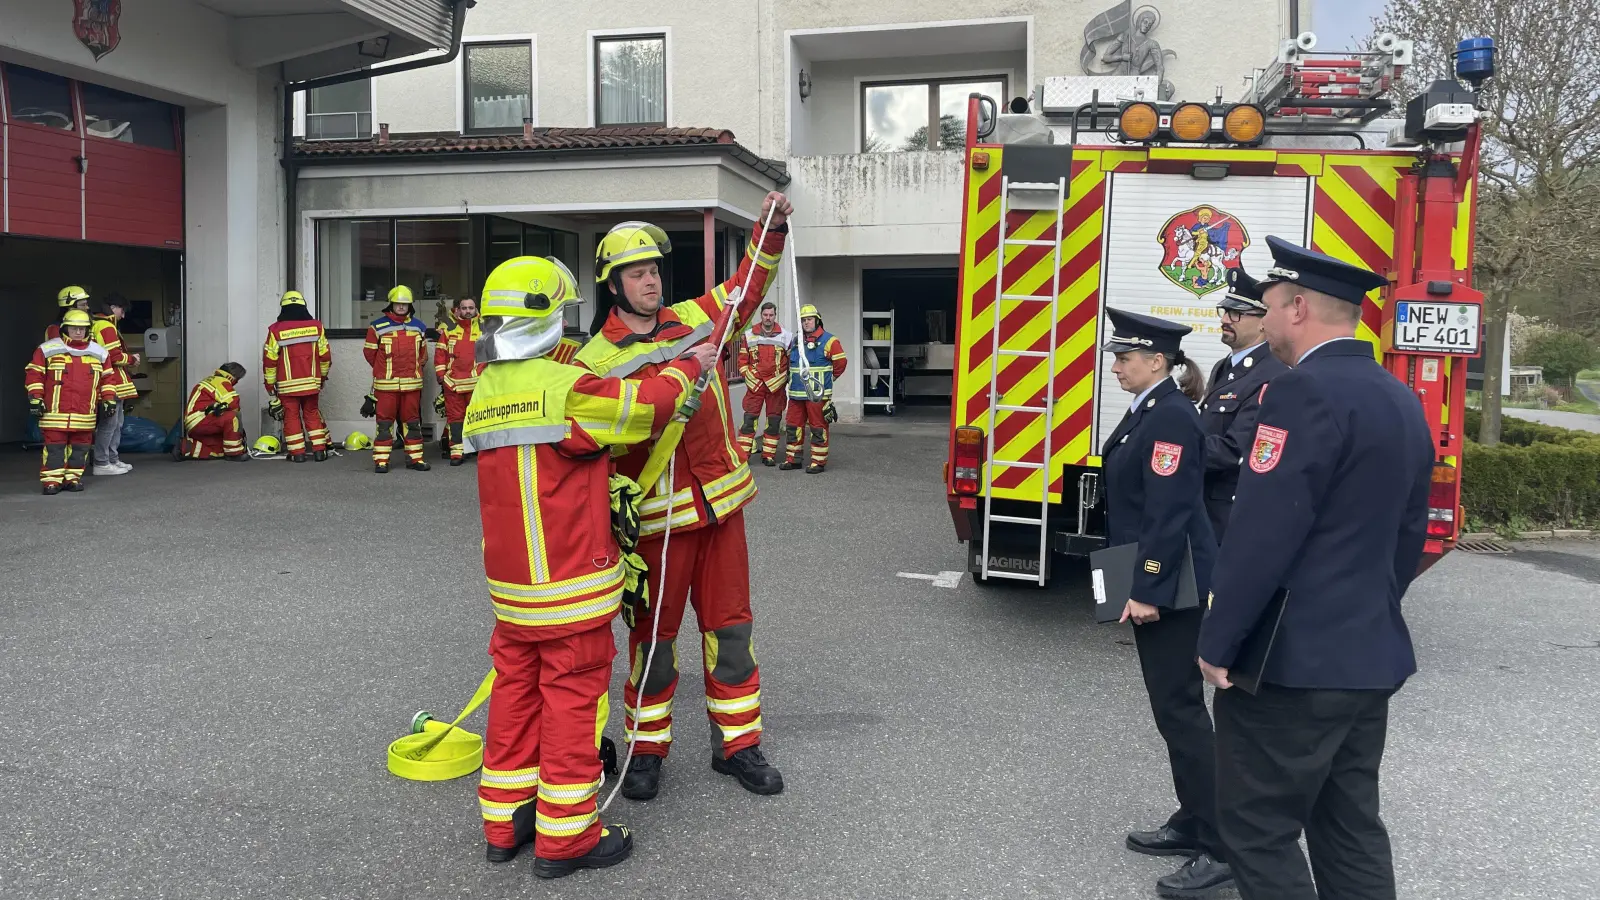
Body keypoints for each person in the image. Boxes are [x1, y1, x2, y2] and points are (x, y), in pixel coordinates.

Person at [465, 255, 718, 877]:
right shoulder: (563, 388)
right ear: (548, 318)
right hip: (571, 586)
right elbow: (639, 409)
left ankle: (505, 823)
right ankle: (568, 839)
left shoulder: (484, 390)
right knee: (572, 707)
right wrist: (691, 365)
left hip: (513, 593)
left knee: (515, 700)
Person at [1198, 237, 1432, 900]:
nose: (1262, 319)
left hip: (1290, 668)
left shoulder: (1300, 393)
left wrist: (1219, 642)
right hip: (1366, 654)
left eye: (1269, 305)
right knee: (1347, 824)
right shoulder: (1398, 396)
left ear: (1298, 307)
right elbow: (1408, 533)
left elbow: (1263, 534)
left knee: (1255, 828)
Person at [572, 192, 792, 801]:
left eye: (653, 270)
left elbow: (748, 286)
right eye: (637, 272)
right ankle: (645, 751)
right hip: (656, 526)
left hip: (722, 509)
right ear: (612, 284)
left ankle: (739, 746)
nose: (650, 280)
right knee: (655, 645)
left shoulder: (698, 315)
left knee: (732, 633)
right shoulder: (593, 360)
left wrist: (769, 231)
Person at [1099, 308, 1233, 900]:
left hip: (1170, 585)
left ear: (1158, 360)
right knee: (1169, 709)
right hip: (1140, 569)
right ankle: (1192, 818)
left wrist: (1146, 590)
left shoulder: (1172, 416)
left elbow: (1171, 511)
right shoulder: (1149, 410)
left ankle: (1223, 843)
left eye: (1125, 357)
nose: (1116, 366)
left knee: (1180, 710)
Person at [1201, 268, 1287, 540]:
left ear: (1264, 322)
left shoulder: (1272, 374)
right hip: (1205, 505)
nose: (1226, 319)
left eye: (1236, 313)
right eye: (1224, 311)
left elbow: (1236, 450)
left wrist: (1178, 445)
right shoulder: (1224, 367)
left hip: (1231, 515)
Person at [25, 309, 117, 495]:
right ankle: (52, 481)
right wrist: (35, 398)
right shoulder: (47, 349)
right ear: (65, 328)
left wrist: (108, 399)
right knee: (54, 449)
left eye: (82, 329)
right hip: (55, 413)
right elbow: (35, 374)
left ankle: (73, 479)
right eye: (74, 328)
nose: (78, 332)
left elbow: (108, 379)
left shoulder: (99, 352)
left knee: (80, 448)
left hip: (84, 414)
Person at [362, 286, 430, 473]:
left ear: (410, 306)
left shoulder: (419, 327)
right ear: (391, 304)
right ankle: (381, 460)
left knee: (412, 424)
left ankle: (415, 459)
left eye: (405, 304)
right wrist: (382, 371)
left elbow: (423, 355)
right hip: (386, 386)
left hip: (412, 385)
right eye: (398, 303)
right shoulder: (376, 327)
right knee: (384, 424)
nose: (401, 307)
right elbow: (370, 354)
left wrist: (414, 371)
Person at [262, 290, 333, 463]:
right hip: (311, 382)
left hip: (287, 385)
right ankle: (319, 451)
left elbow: (270, 360)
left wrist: (270, 385)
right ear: (303, 306)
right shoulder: (316, 326)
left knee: (291, 416)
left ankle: (298, 454)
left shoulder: (275, 330)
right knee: (311, 413)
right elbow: (325, 356)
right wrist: (322, 377)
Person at [780, 303, 847, 473]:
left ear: (817, 321)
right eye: (803, 320)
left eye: (809, 319)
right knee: (793, 426)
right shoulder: (796, 341)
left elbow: (840, 363)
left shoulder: (830, 340)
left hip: (817, 395)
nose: (806, 323)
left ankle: (818, 462)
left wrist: (829, 380)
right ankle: (793, 459)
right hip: (796, 393)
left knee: (818, 427)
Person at [88, 293, 139, 475]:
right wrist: (132, 359)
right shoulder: (106, 327)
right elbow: (115, 357)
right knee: (110, 424)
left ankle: (111, 459)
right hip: (111, 381)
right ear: (112, 308)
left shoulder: (95, 324)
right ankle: (103, 462)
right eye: (122, 310)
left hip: (104, 380)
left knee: (114, 423)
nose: (123, 315)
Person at [736, 301, 791, 465]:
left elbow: (790, 362)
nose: (768, 318)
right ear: (761, 315)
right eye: (765, 315)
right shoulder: (749, 334)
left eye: (771, 315)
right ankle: (743, 457)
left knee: (773, 422)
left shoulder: (786, 336)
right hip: (755, 386)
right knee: (748, 421)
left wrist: (782, 380)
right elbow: (742, 361)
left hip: (776, 387)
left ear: (775, 315)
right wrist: (751, 378)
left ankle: (769, 455)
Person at [433, 296, 482, 466]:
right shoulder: (449, 331)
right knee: (455, 420)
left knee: (478, 418)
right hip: (453, 384)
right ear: (458, 310)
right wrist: (441, 376)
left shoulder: (484, 330)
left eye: (471, 307)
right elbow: (440, 355)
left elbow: (490, 357)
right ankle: (457, 453)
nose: (467, 311)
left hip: (476, 383)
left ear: (476, 309)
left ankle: (477, 450)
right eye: (464, 308)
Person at [177, 363, 249, 460]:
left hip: (195, 423)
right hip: (202, 420)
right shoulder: (221, 381)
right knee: (233, 417)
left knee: (218, 450)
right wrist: (238, 430)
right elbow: (233, 402)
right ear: (234, 376)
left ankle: (185, 447)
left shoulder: (209, 380)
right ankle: (234, 453)